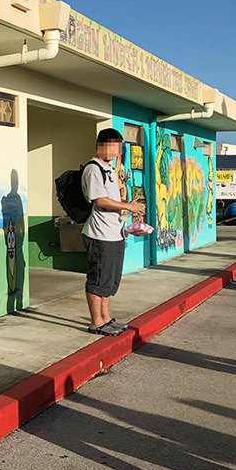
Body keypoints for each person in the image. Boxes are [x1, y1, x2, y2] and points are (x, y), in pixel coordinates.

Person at [82, 128, 146, 336]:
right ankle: (96, 323)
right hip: (100, 235)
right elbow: (99, 200)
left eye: (117, 147)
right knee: (98, 279)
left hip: (115, 234)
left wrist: (128, 204)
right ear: (99, 145)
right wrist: (127, 206)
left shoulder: (109, 169)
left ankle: (106, 318)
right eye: (109, 146)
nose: (114, 151)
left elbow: (111, 200)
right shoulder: (93, 169)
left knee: (110, 280)